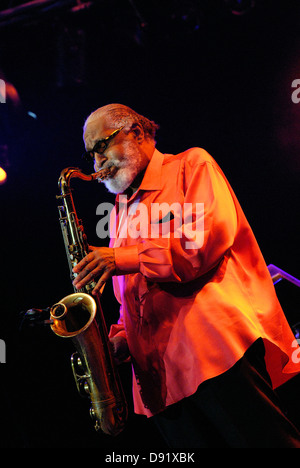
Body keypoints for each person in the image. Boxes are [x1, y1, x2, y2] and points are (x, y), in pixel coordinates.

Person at [72, 103, 300, 448]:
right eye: (91, 154)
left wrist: (123, 257)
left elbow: (201, 248)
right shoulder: (121, 209)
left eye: (102, 146)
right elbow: (130, 292)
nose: (97, 164)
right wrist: (119, 337)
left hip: (213, 354)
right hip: (159, 383)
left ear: (135, 132)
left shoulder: (191, 166)